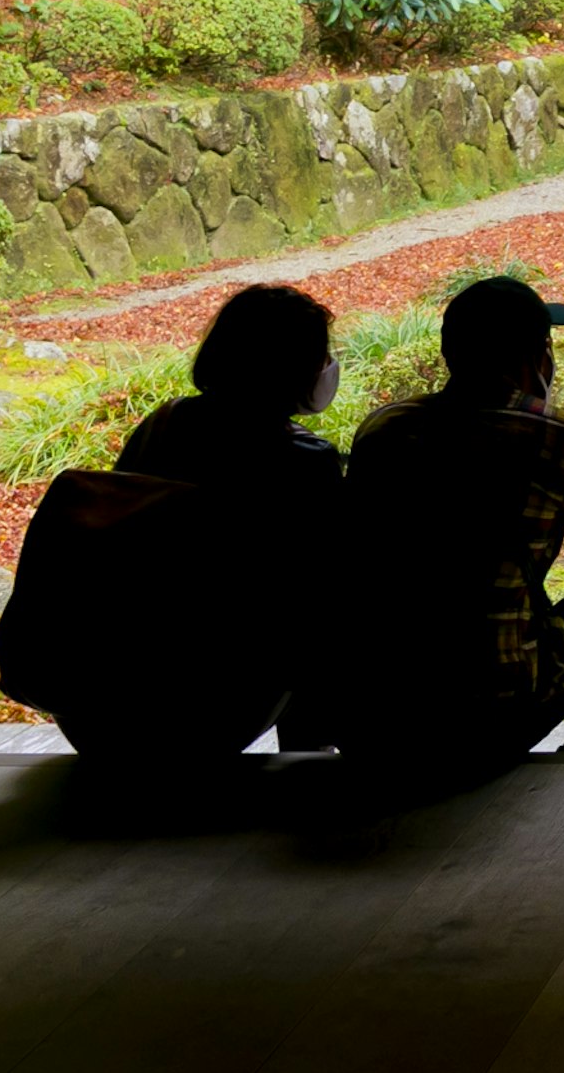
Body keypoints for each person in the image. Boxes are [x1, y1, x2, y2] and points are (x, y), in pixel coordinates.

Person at [325, 273, 564, 767]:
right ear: (538, 358)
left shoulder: (384, 427)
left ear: (449, 354)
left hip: (372, 725)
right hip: (481, 727)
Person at [50, 282, 346, 761]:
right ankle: (308, 756)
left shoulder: (160, 427)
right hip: (203, 716)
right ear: (299, 368)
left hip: (90, 702)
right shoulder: (304, 459)